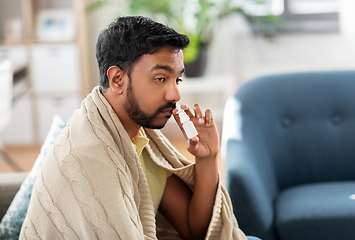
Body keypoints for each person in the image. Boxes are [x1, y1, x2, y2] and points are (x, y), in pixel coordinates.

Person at [20, 16, 255, 240]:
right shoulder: (87, 156)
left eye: (177, 79)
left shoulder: (141, 139)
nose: (175, 93)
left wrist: (207, 158)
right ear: (117, 80)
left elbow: (193, 229)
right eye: (161, 78)